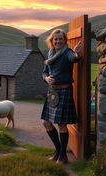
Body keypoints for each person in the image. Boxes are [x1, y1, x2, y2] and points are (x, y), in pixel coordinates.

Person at [41, 28, 82, 164]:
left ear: (65, 41)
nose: (58, 41)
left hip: (64, 91)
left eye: (60, 39)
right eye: (55, 39)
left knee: (61, 125)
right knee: (46, 123)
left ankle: (62, 156)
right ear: (52, 41)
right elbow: (44, 72)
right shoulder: (51, 53)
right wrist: (46, 79)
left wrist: (77, 53)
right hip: (52, 92)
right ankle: (59, 151)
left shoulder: (68, 52)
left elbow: (74, 59)